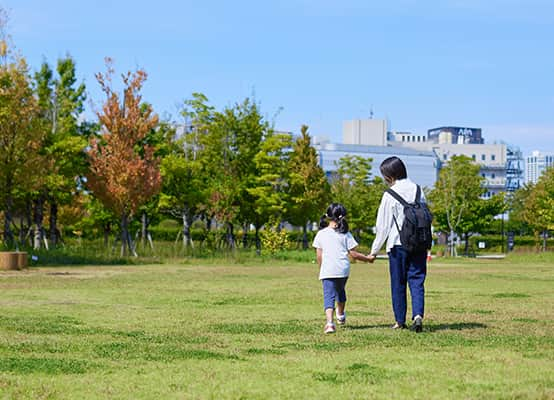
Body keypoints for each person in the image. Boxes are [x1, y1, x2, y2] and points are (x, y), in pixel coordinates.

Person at [368, 156, 428, 333]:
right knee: (417, 281)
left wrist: (373, 251)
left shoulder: (389, 195)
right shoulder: (418, 189)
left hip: (397, 244)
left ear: (390, 175)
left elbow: (383, 226)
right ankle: (418, 315)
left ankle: (399, 321)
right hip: (419, 243)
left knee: (398, 283)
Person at [312, 203, 373, 334]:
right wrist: (368, 259)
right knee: (340, 291)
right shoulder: (345, 234)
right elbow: (354, 254)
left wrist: (321, 268)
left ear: (327, 216)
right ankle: (340, 314)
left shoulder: (321, 234)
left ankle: (329, 323)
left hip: (327, 269)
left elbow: (319, 255)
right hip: (342, 269)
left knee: (329, 295)